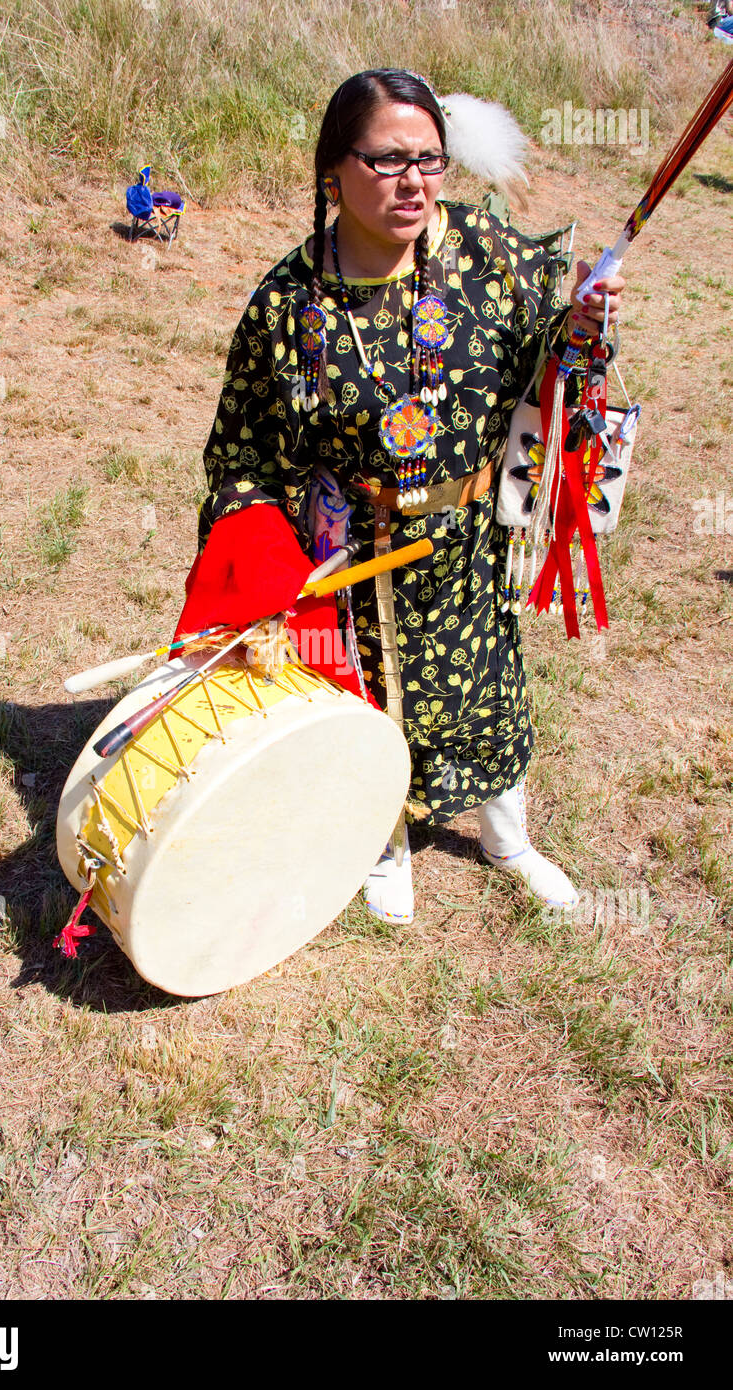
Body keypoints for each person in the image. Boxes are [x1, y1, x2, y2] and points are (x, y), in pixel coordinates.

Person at [175, 69, 625, 925]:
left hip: (464, 540)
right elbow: (242, 450)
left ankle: (509, 842)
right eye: (387, 161)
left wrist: (578, 330)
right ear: (333, 172)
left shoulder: (484, 256)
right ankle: (381, 843)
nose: (413, 181)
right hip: (351, 556)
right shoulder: (288, 305)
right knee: (365, 703)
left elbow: (545, 373)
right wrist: (260, 556)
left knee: (485, 687)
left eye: (430, 159)